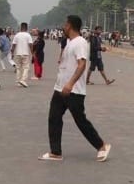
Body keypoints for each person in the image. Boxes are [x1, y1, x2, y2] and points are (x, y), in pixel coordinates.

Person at [41, 15, 112, 162]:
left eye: (65, 24)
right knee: (54, 117)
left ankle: (102, 146)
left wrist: (70, 83)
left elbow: (82, 64)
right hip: (60, 88)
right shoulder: (70, 42)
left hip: (73, 90)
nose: (63, 27)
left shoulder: (80, 42)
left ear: (69, 25)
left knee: (80, 120)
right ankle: (55, 152)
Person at [11, 23, 34, 88]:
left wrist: (12, 53)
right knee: (26, 67)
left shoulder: (17, 35)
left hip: (18, 53)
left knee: (18, 68)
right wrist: (32, 53)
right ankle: (23, 80)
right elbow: (31, 45)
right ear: (26, 28)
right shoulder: (28, 35)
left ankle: (18, 81)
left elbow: (13, 45)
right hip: (25, 53)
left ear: (21, 27)